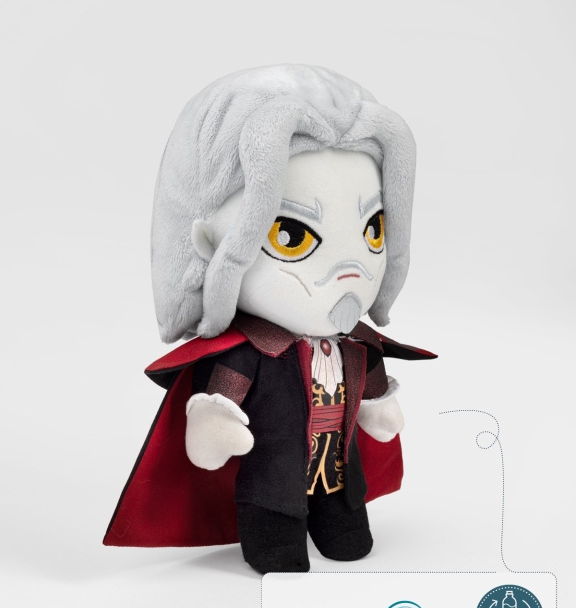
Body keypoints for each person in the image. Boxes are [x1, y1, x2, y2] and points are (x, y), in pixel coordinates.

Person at [103, 65, 436, 574]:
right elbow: (225, 391)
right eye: (292, 236)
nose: (352, 269)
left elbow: (369, 384)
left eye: (373, 230)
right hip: (273, 480)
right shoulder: (254, 350)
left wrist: (378, 404)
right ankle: (276, 536)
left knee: (349, 536)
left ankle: (338, 521)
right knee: (277, 537)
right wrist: (213, 422)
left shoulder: (355, 345)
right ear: (208, 242)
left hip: (339, 471)